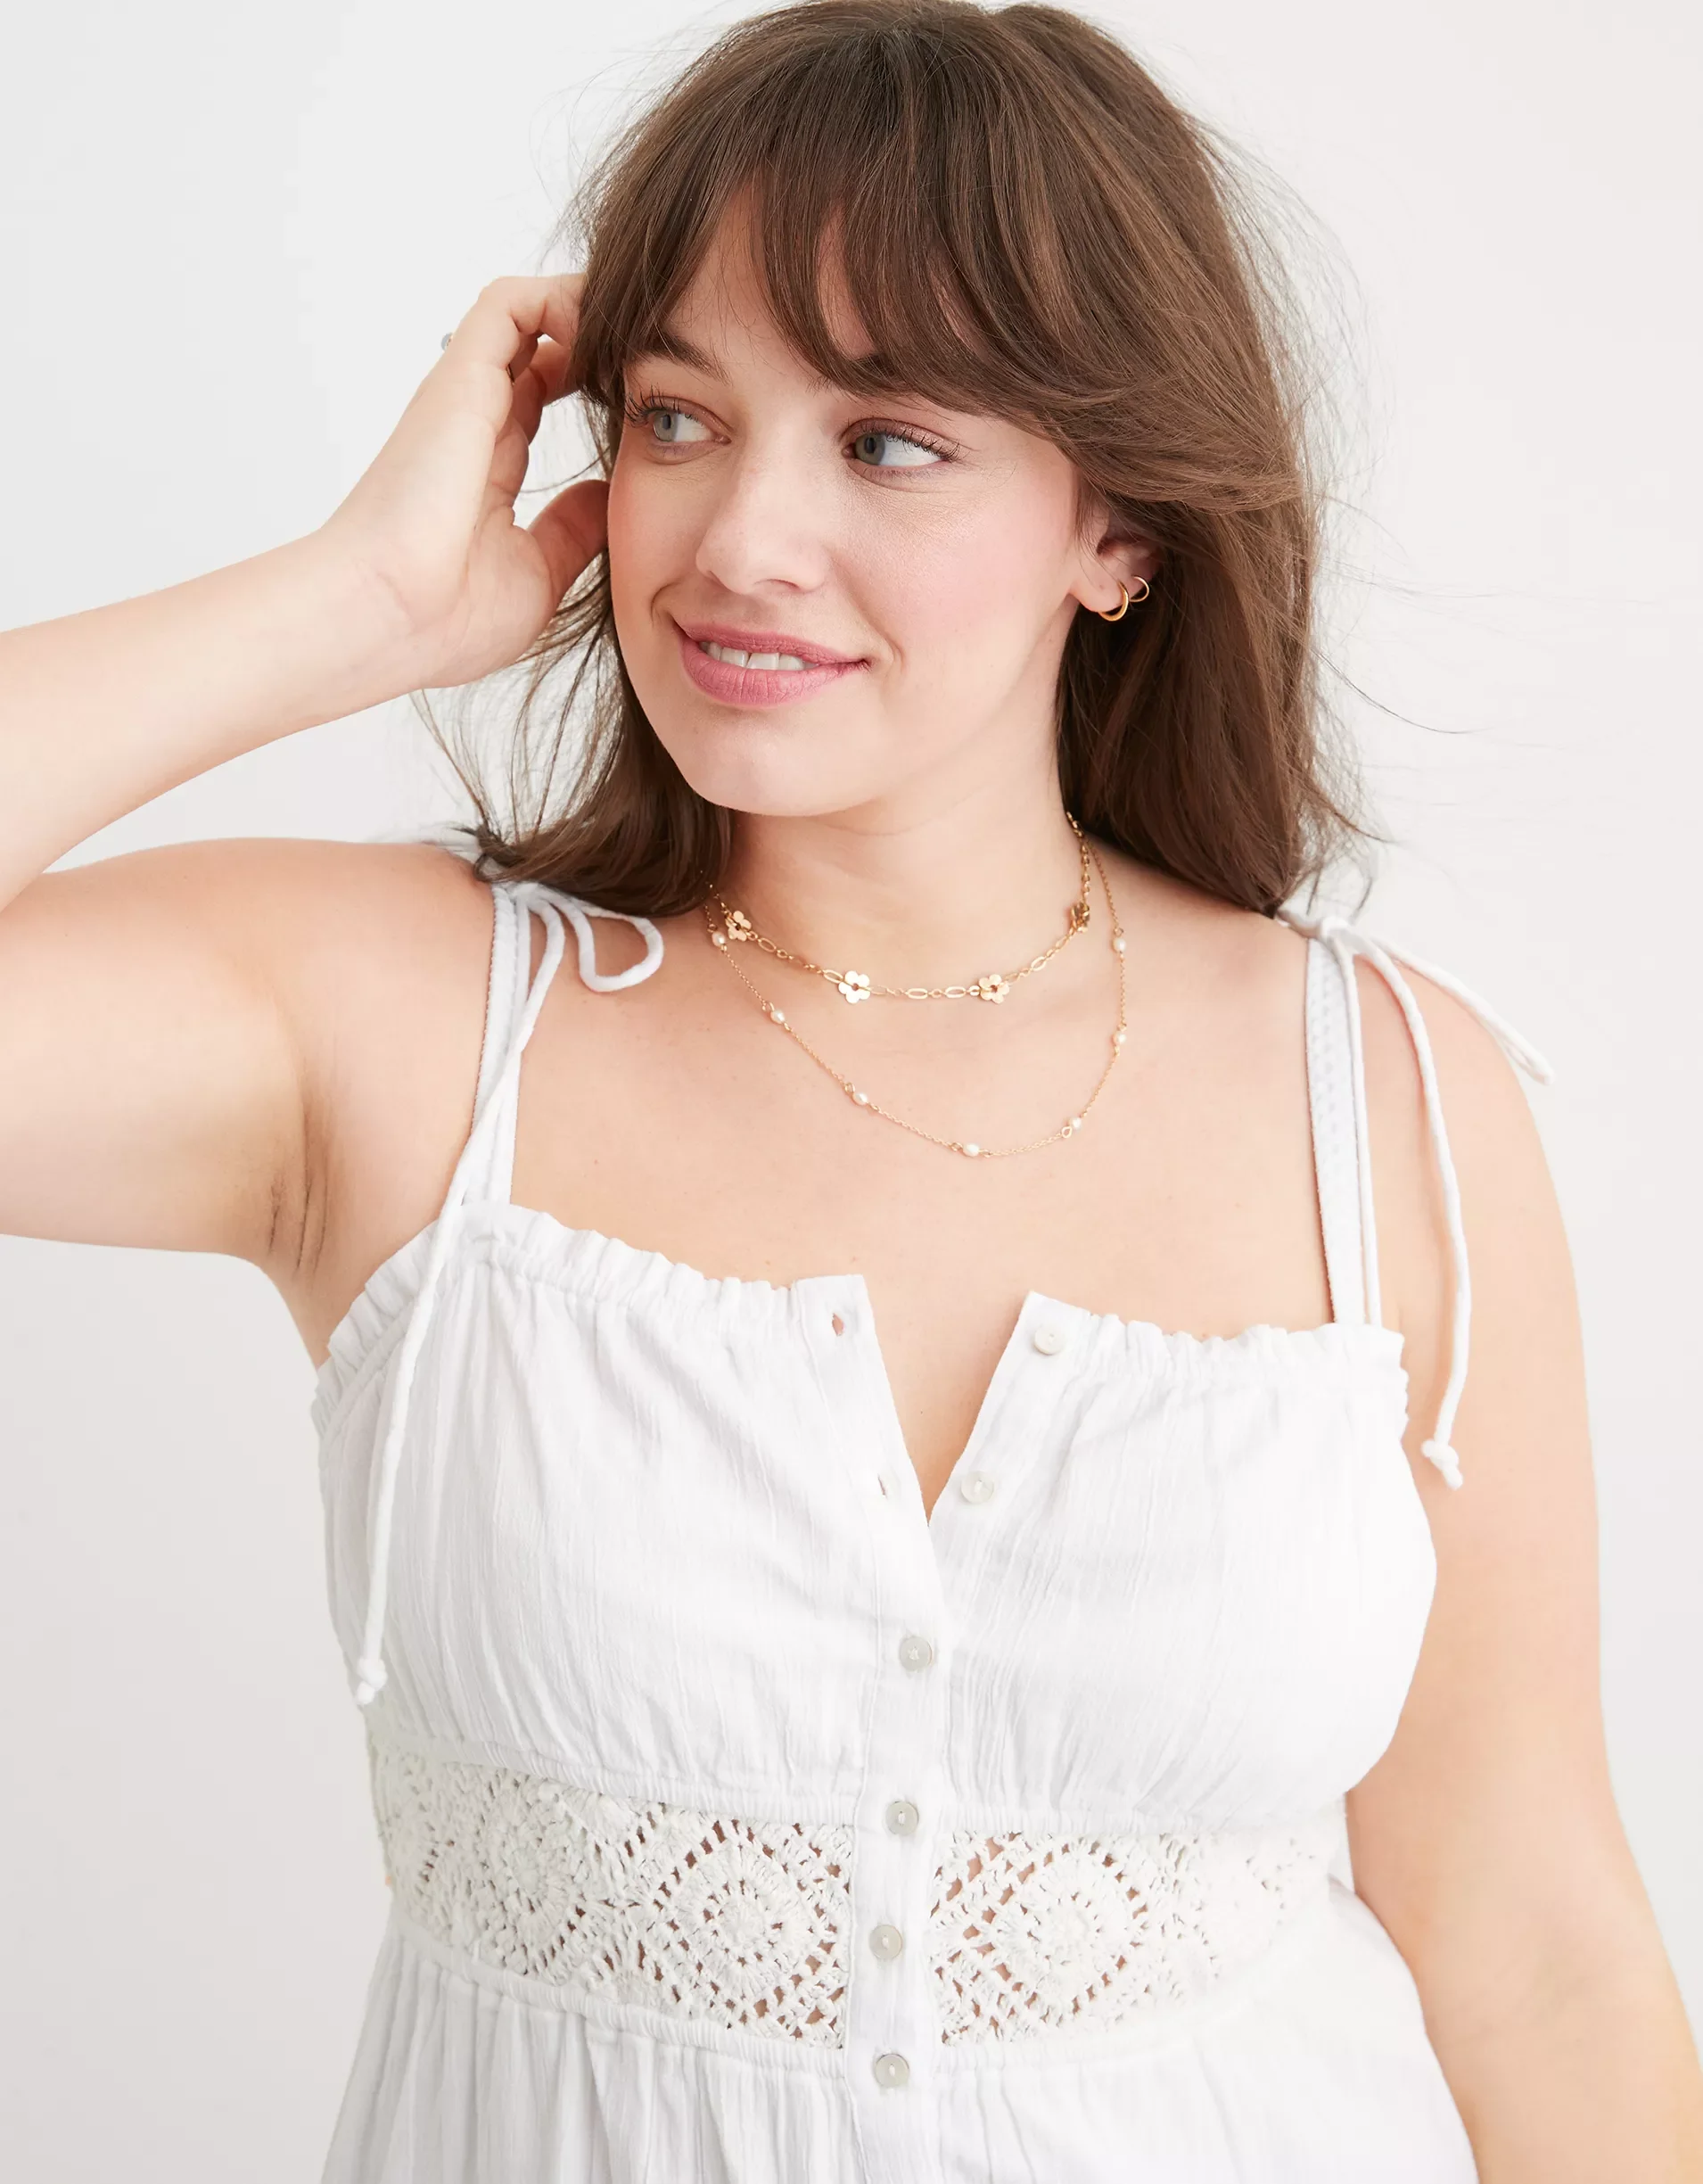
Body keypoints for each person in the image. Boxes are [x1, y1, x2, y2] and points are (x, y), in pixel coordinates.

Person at [2, 1, 1699, 2177]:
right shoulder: (408, 1028)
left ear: (1122, 533)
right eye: (682, 416)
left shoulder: (1390, 1104)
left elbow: (1533, 1930)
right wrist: (355, 602)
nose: (735, 541)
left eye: (887, 441)